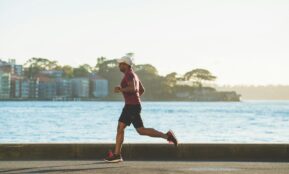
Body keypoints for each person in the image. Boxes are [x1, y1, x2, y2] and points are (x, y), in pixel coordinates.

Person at [104, 56, 178, 163]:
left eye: (121, 64)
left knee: (123, 128)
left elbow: (133, 89)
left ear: (126, 64)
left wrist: (121, 89)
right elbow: (141, 90)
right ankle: (167, 136)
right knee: (138, 130)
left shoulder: (129, 74)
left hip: (131, 106)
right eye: (119, 64)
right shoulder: (133, 74)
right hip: (132, 105)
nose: (119, 66)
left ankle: (117, 155)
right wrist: (135, 99)